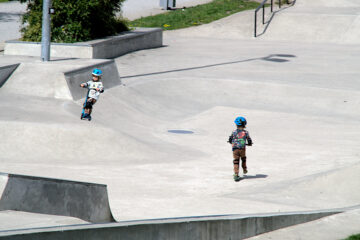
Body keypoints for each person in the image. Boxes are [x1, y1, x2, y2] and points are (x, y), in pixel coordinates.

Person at [228, 116, 253, 182]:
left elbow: (230, 139)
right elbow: (249, 140)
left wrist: (231, 142)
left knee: (236, 161)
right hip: (242, 149)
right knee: (243, 159)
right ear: (244, 124)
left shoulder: (233, 132)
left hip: (235, 149)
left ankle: (236, 174)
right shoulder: (246, 132)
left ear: (236, 124)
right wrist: (250, 144)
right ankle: (244, 169)